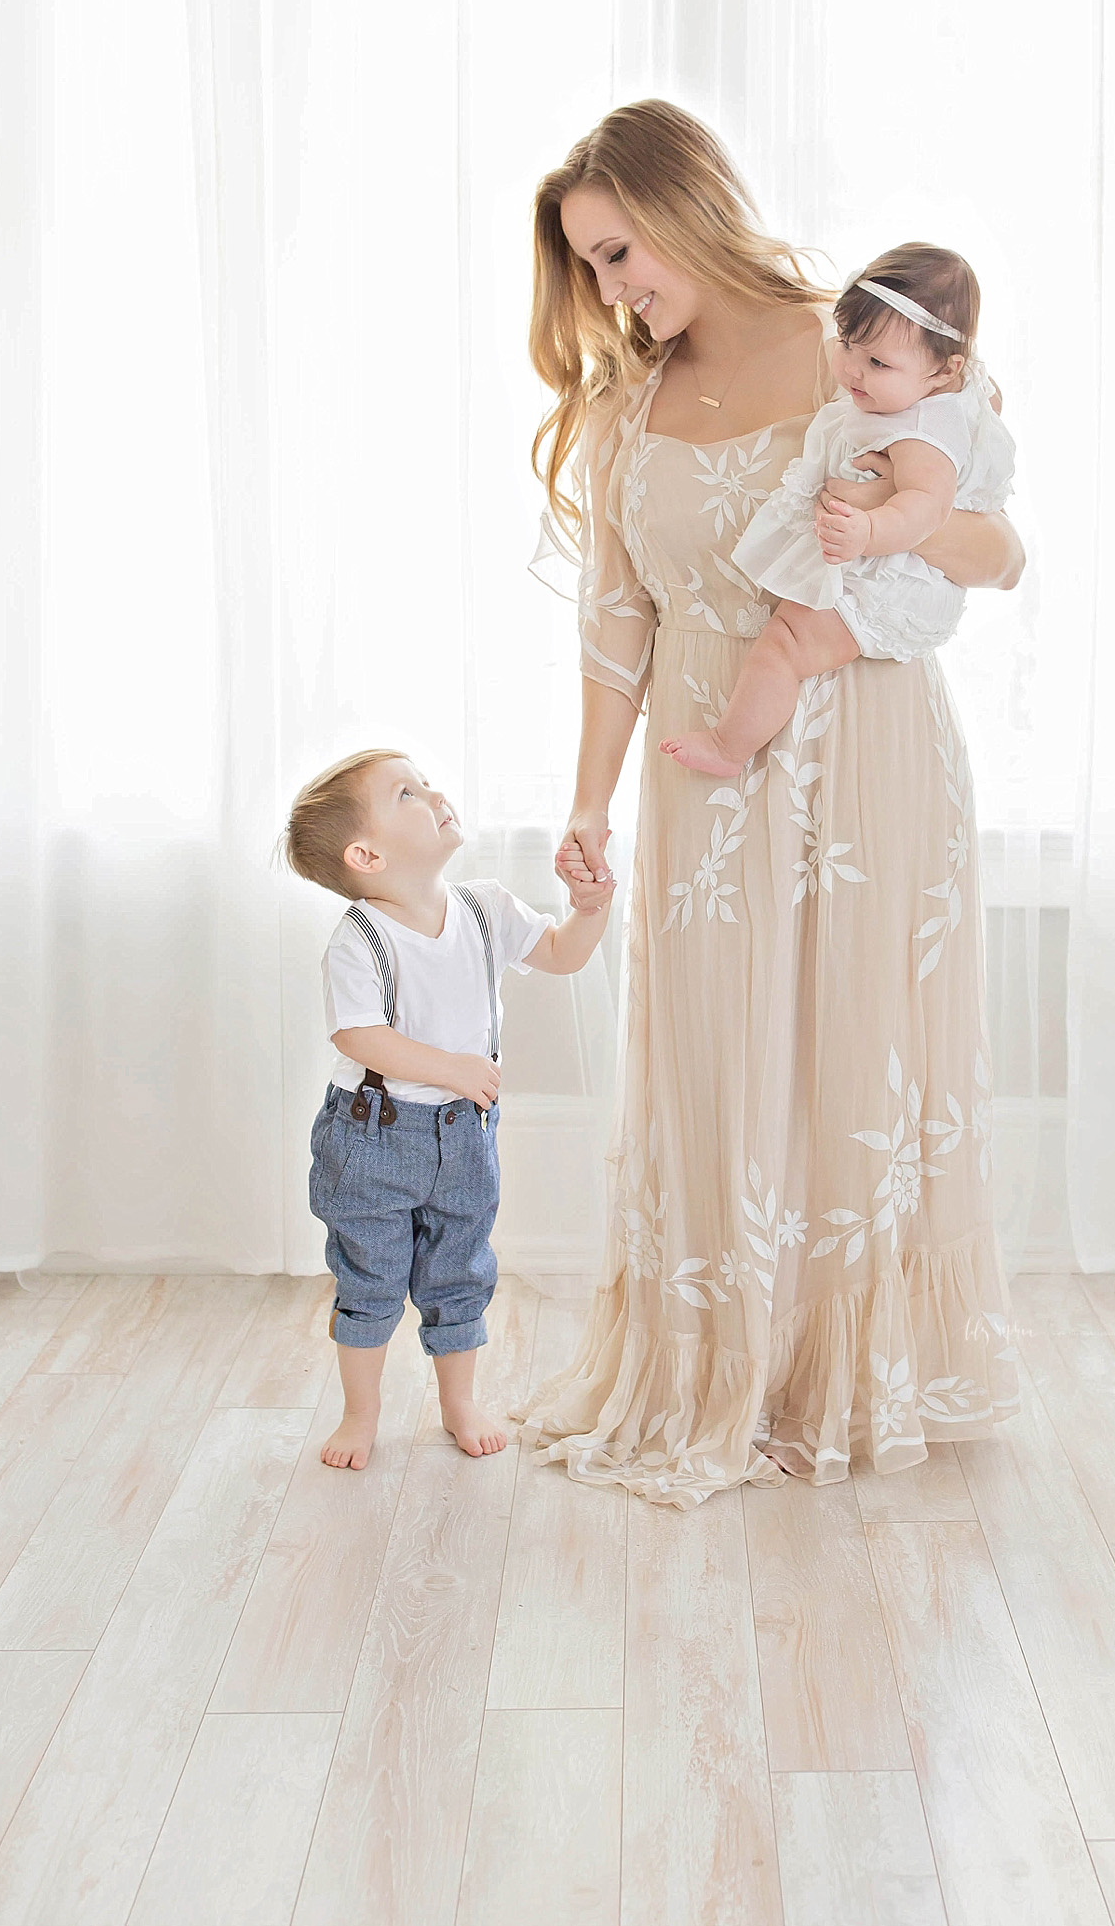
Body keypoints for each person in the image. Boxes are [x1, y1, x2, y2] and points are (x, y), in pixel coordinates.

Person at [516, 99, 1023, 1507]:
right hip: (704, 746)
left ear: (690, 206)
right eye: (593, 270)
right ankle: (722, 1359)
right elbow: (616, 628)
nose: (615, 291)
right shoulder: (628, 407)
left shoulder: (855, 343)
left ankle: (840, 1375)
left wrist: (897, 532)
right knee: (722, 1053)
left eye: (621, 252)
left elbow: (997, 545)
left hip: (865, 731)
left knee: (857, 1049)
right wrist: (588, 809)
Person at [281, 748, 612, 1470]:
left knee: (459, 1271)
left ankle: (458, 1402)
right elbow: (359, 1034)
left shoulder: (483, 907)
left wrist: (589, 910)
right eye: (406, 792)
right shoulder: (359, 939)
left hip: (462, 1138)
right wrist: (453, 1069)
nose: (434, 793)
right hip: (373, 1138)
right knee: (370, 1278)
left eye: (424, 780)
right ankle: (360, 1414)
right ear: (365, 854)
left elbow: (560, 953)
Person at [660, 241, 1015, 778]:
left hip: (884, 583)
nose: (852, 369)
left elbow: (927, 507)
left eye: (877, 362)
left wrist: (870, 528)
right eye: (847, 342)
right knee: (782, 638)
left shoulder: (922, 434)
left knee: (784, 644)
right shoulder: (908, 390)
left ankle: (729, 746)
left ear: (943, 374)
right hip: (875, 569)